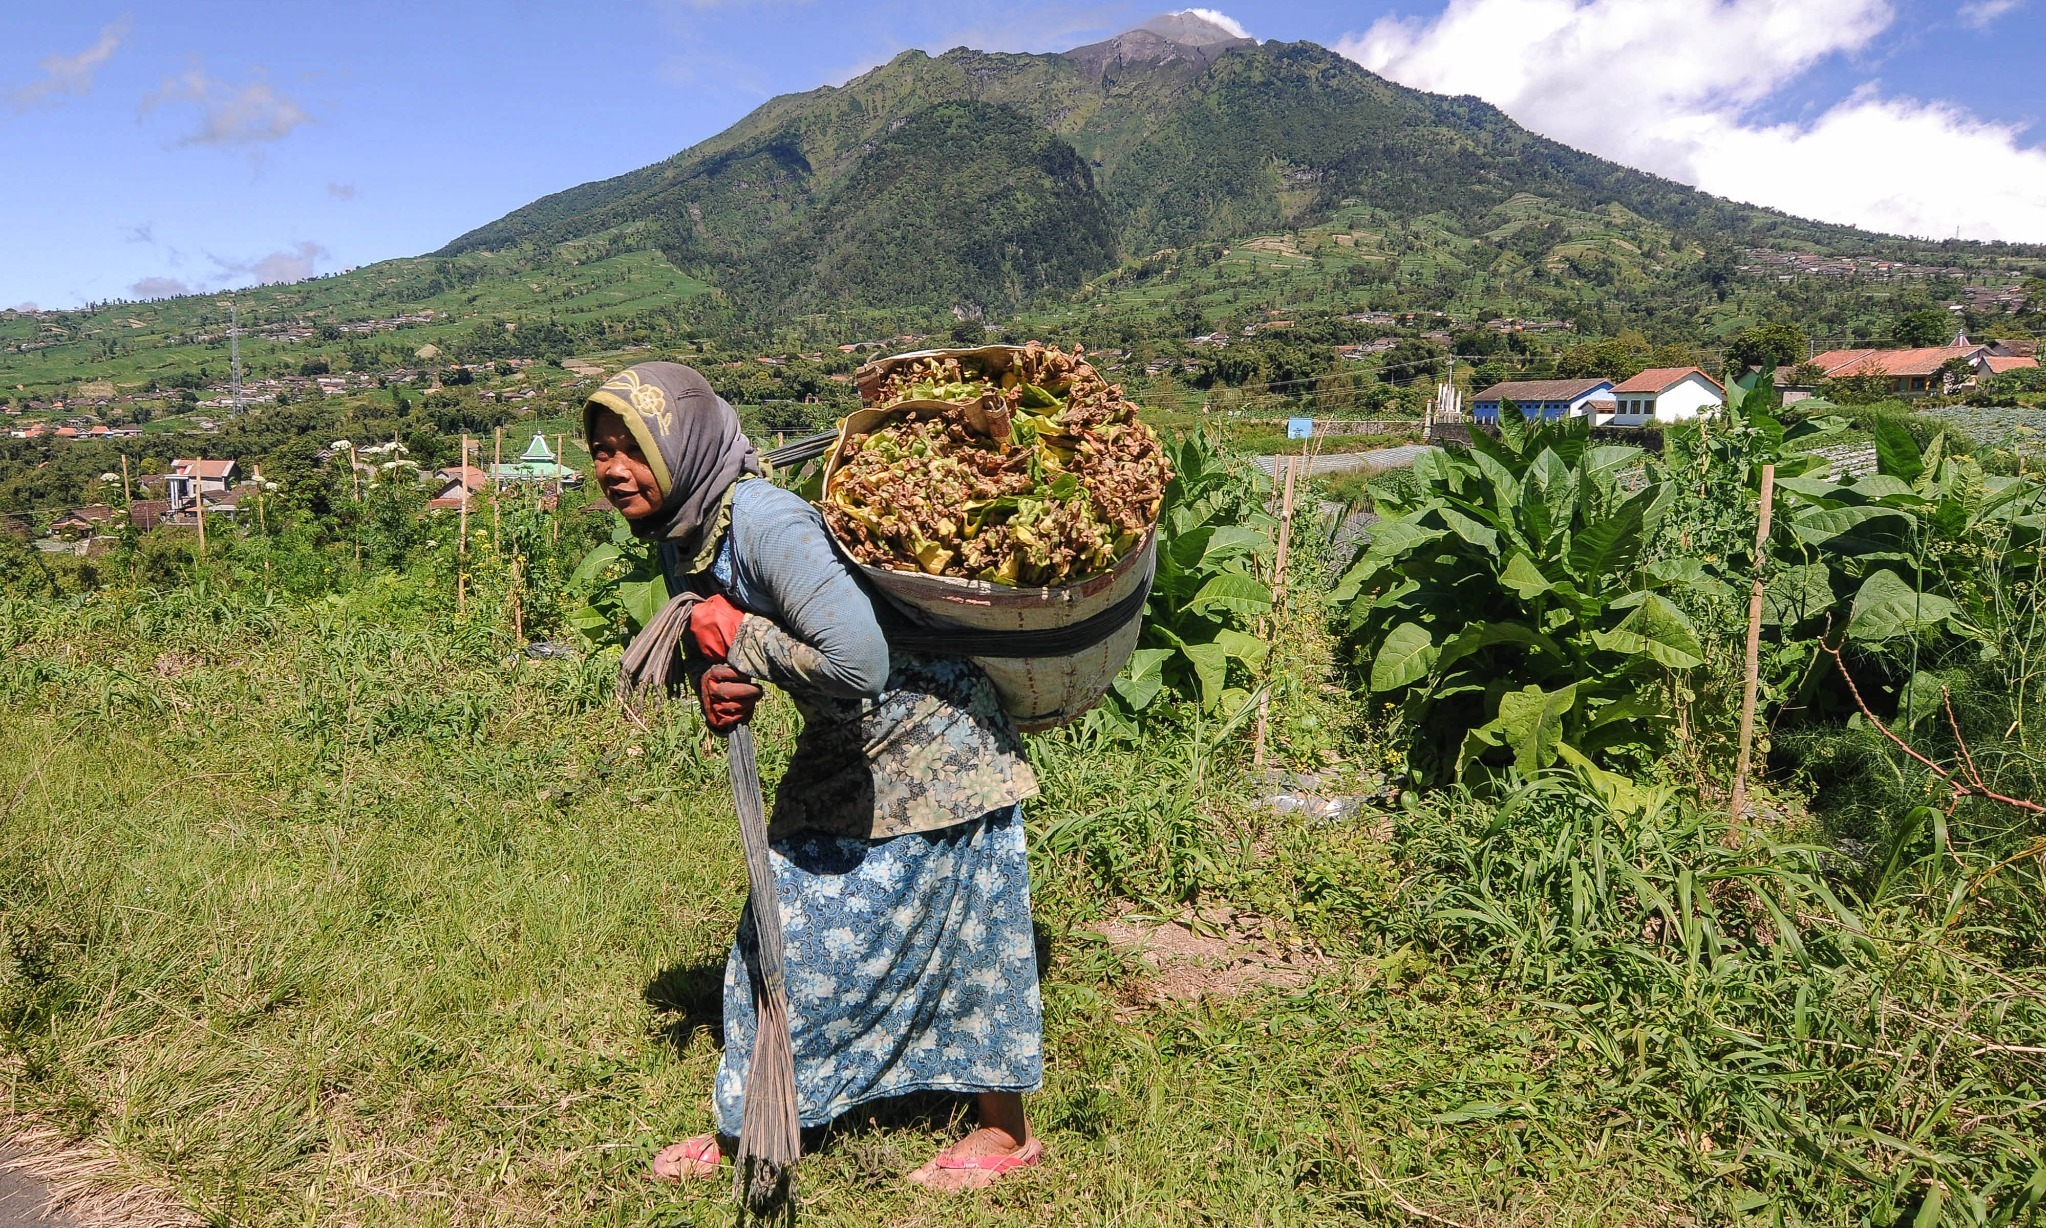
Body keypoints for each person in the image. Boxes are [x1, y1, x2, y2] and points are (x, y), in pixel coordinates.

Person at [583, 362, 1046, 1193]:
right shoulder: (686, 532)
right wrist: (718, 682)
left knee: (967, 930)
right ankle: (752, 1119)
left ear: (682, 446)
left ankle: (1003, 1132)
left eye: (633, 449)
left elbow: (859, 661)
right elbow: (722, 641)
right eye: (602, 450)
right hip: (852, 737)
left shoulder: (764, 520)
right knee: (781, 929)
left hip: (935, 733)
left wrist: (746, 642)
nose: (615, 468)